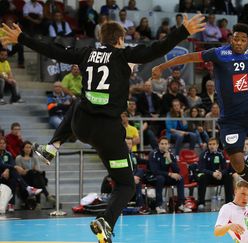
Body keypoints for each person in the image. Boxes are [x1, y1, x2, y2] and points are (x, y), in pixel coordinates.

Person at [0, 14, 205, 243]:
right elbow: (157, 48)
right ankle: (106, 222)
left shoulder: (86, 53)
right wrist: (183, 31)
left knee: (79, 100)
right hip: (107, 133)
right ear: (119, 39)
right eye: (123, 39)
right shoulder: (123, 55)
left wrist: (21, 37)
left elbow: (53, 50)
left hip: (82, 124)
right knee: (126, 184)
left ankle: (53, 146)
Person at [152, 23, 248, 212]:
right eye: (236, 38)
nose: (239, 42)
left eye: (243, 40)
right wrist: (163, 66)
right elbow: (190, 57)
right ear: (231, 39)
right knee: (237, 162)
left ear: (247, 43)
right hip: (231, 119)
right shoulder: (219, 54)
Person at [148, 137, 192, 214]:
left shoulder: (170, 154)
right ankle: (158, 205)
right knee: (160, 178)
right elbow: (154, 171)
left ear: (168, 145)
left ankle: (181, 204)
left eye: (166, 144)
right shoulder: (153, 154)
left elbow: (177, 170)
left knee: (180, 178)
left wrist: (169, 160)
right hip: (153, 177)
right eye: (162, 144)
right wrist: (170, 174)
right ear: (158, 145)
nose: (164, 146)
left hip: (165, 177)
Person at [197, 137, 233, 210]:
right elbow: (201, 169)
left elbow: (225, 168)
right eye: (210, 144)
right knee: (202, 177)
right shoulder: (204, 154)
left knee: (228, 177)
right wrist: (212, 173)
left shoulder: (221, 153)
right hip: (208, 176)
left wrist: (221, 173)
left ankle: (229, 203)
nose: (212, 146)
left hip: (217, 176)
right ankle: (201, 203)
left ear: (217, 145)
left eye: (213, 144)